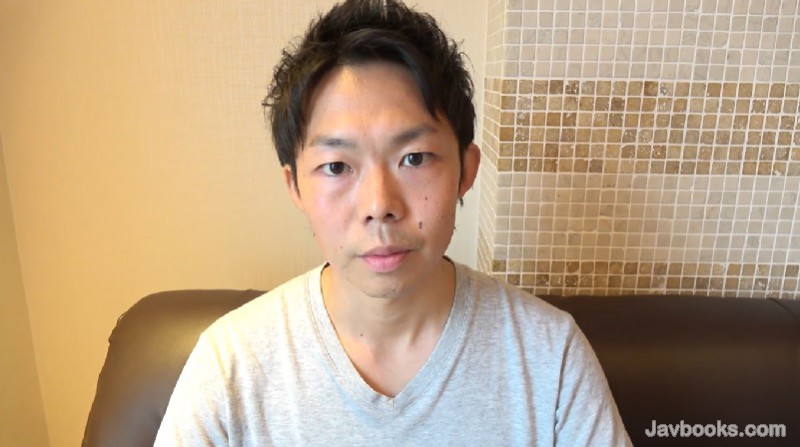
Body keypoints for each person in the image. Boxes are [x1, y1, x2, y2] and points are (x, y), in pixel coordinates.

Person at [155, 0, 631, 445]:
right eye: (337, 167)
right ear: (295, 186)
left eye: (414, 158)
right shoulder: (230, 365)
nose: (379, 205)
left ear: (466, 171)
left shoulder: (550, 358)